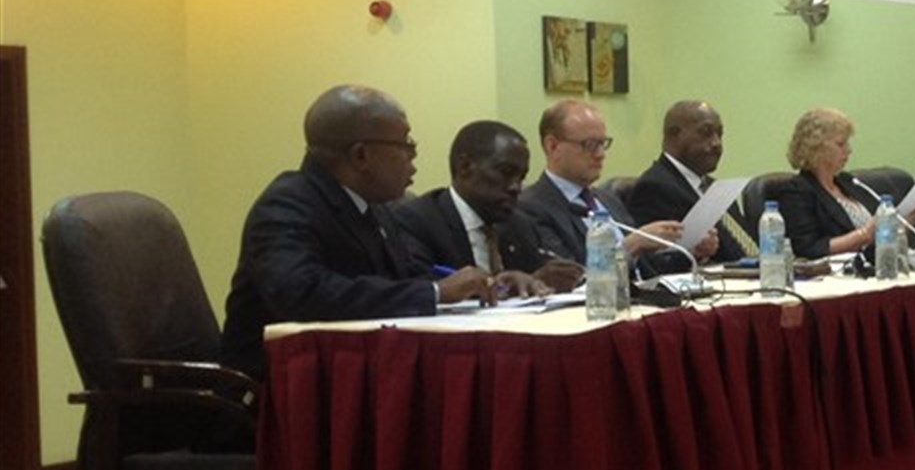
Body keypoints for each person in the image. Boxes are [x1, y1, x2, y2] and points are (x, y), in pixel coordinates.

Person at [219, 85, 493, 377]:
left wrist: (479, 284)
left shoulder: (373, 207)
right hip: (282, 388)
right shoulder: (287, 204)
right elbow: (304, 294)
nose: (413, 156)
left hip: (354, 373)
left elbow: (401, 278)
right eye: (404, 144)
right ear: (360, 155)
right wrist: (434, 292)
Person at [392, 120, 578, 292]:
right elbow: (421, 290)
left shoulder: (519, 225)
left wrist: (537, 281)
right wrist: (499, 288)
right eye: (506, 172)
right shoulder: (418, 221)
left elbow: (531, 283)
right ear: (465, 167)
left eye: (521, 177)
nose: (516, 187)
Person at [514, 99, 690, 273]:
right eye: (589, 145)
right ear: (553, 146)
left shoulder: (608, 199)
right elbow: (569, 276)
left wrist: (686, 250)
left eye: (603, 144)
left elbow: (646, 268)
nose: (600, 154)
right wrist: (629, 246)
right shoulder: (530, 208)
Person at [772, 107, 915, 261]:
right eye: (841, 144)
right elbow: (808, 248)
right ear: (816, 148)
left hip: (872, 265)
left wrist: (911, 218)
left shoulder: (848, 182)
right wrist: (864, 235)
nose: (848, 150)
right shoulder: (796, 191)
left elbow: (878, 234)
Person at [625, 99, 752, 262]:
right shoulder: (654, 187)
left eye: (720, 134)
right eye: (706, 133)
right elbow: (656, 263)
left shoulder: (714, 187)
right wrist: (697, 252)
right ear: (674, 134)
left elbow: (742, 248)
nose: (716, 143)